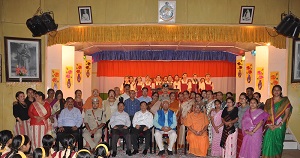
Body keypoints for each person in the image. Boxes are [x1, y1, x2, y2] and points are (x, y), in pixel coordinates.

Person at [262, 85, 293, 158]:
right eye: (274, 90)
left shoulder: (285, 101)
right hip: (269, 125)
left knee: (278, 143)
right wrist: (269, 124)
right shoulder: (268, 101)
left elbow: (286, 114)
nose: (276, 91)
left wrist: (279, 125)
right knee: (267, 142)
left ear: (281, 91)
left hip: (280, 125)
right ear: (272, 91)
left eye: (278, 90)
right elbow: (265, 114)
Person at [237, 93, 250, 157]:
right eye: (240, 98)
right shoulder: (238, 108)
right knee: (239, 144)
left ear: (246, 100)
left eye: (243, 98)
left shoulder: (249, 108)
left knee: (245, 144)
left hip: (246, 129)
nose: (241, 100)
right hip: (239, 128)